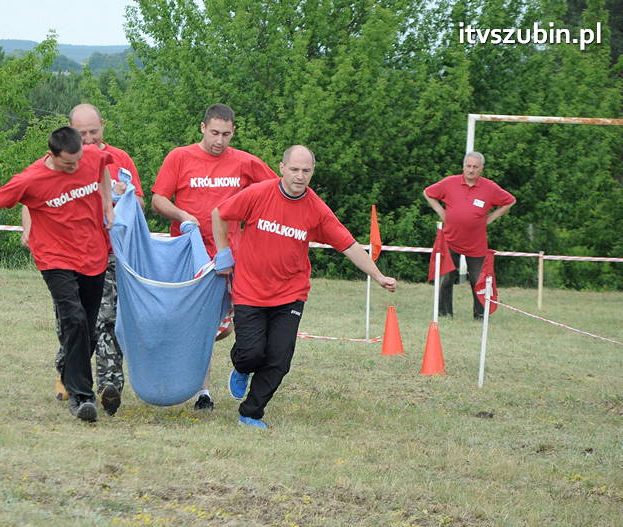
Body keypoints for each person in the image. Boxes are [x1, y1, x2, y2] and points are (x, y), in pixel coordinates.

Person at [211, 145, 397, 429]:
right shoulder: (258, 194)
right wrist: (223, 252)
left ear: (312, 172)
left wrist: (378, 275)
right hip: (249, 290)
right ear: (282, 168)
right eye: (295, 169)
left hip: (290, 294)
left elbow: (348, 245)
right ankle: (241, 367)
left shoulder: (316, 210)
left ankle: (251, 412)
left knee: (279, 358)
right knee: (252, 353)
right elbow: (219, 213)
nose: (300, 176)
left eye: (306, 171)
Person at [0, 126, 115, 423]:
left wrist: (107, 205)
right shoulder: (30, 179)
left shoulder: (91, 157)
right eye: (67, 164)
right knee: (72, 318)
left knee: (86, 327)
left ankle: (67, 370)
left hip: (94, 254)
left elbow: (103, 169)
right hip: (54, 257)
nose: (74, 168)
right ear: (51, 155)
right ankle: (82, 397)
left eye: (77, 161)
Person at [151, 103, 277, 411]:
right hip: (189, 254)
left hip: (228, 257)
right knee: (196, 323)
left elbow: (275, 192)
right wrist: (182, 215)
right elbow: (157, 199)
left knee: (225, 328)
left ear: (234, 132)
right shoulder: (180, 157)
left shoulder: (245, 162)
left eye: (227, 134)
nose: (220, 141)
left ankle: (235, 365)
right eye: (215, 133)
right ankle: (202, 392)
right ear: (202, 128)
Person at [22, 103, 144, 416]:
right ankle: (67, 370)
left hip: (110, 253)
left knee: (107, 320)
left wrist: (121, 199)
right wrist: (28, 230)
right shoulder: (62, 159)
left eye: (94, 131)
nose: (88, 139)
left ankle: (109, 385)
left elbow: (140, 201)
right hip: (67, 256)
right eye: (82, 133)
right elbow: (31, 196)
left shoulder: (120, 159)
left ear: (103, 126)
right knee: (73, 322)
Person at [423, 151, 516, 319]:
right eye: (468, 166)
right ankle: (444, 314)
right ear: (463, 166)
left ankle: (480, 315)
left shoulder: (490, 187)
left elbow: (510, 200)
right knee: (445, 279)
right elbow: (428, 192)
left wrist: (491, 218)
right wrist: (440, 211)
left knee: (478, 280)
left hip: (476, 243)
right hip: (450, 240)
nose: (471, 170)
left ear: (481, 169)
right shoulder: (449, 183)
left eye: (475, 167)